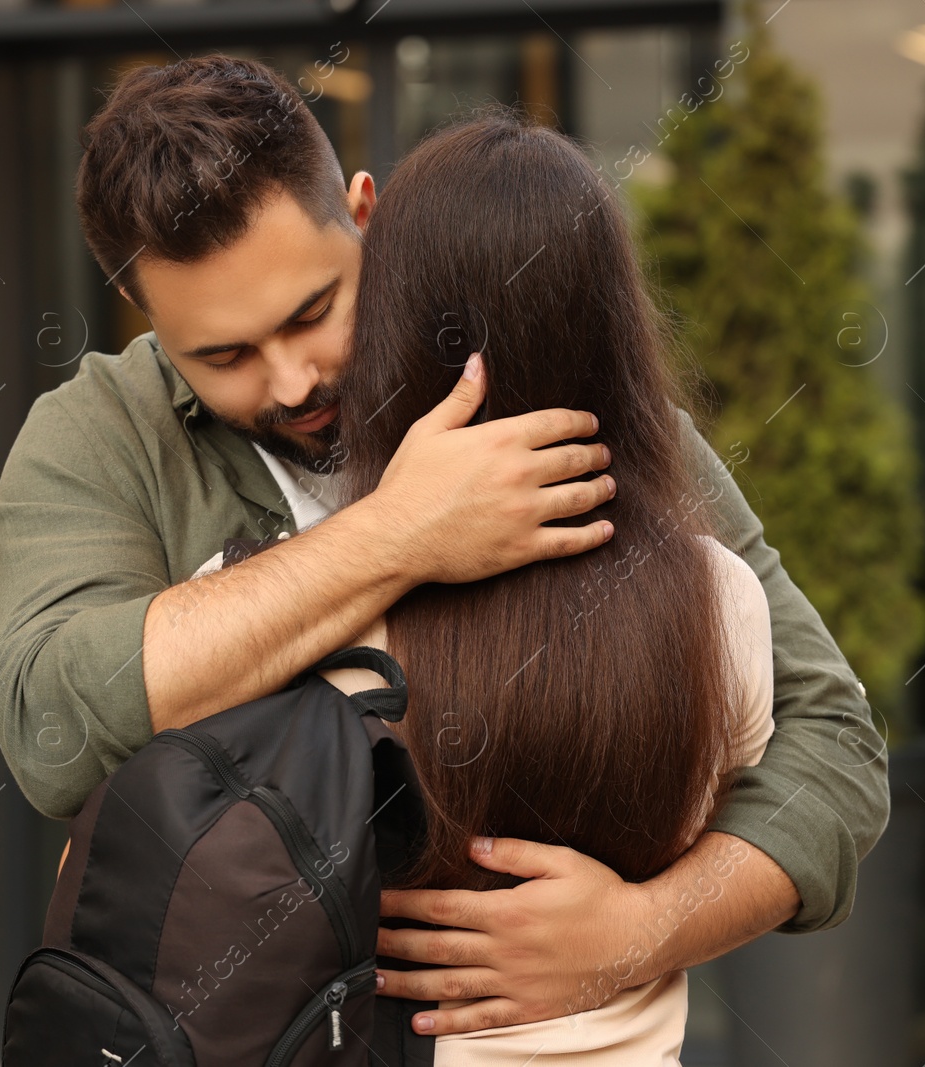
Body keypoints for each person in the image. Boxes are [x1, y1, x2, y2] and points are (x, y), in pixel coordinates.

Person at [0, 54, 887, 1044]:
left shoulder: (552, 388)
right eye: (225, 355)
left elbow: (832, 738)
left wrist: (643, 928)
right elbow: (51, 727)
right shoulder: (101, 433)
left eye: (311, 311)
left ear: (365, 214)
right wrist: (398, 535)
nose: (291, 379)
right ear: (145, 316)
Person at [317, 110, 775, 1062]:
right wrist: (640, 926)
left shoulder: (320, 613)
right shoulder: (722, 598)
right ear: (613, 318)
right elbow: (762, 778)